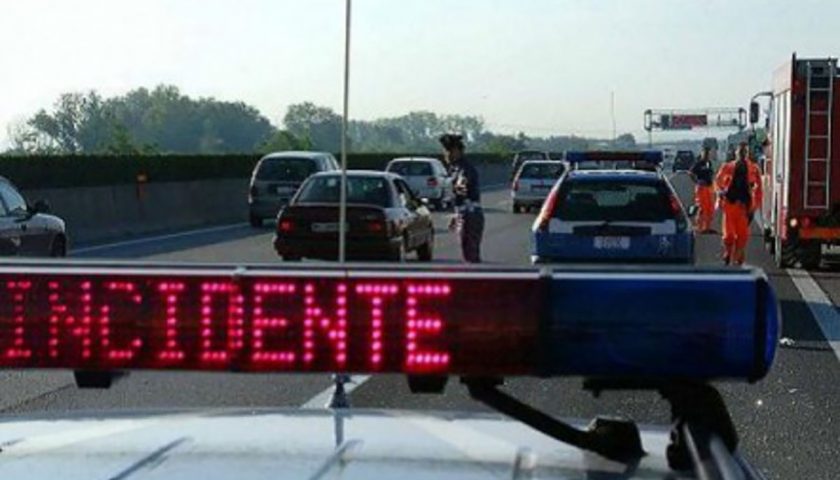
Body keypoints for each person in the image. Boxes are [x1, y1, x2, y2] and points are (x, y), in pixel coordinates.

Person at [714, 142, 763, 265]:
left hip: (744, 207)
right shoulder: (727, 167)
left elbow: (759, 189)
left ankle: (738, 257)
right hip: (730, 205)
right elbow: (717, 181)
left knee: (742, 235)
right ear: (736, 153)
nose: (742, 154)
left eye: (744, 151)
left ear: (747, 153)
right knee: (729, 235)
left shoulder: (754, 168)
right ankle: (728, 253)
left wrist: (755, 206)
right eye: (740, 151)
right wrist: (720, 191)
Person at [440, 133, 484, 263]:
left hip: (470, 214)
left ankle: (476, 281)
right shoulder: (455, 168)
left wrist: (461, 186)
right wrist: (456, 214)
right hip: (464, 213)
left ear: (456, 151)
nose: (446, 155)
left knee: (470, 254)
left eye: (448, 151)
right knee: (467, 252)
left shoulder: (465, 169)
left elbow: (463, 185)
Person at [689, 147, 716, 233]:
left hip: (709, 187)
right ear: (702, 154)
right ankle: (699, 227)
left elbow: (712, 174)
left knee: (710, 208)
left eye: (708, 154)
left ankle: (707, 227)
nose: (707, 155)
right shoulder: (698, 164)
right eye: (705, 153)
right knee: (702, 208)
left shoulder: (709, 163)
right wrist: (697, 181)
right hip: (701, 187)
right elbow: (691, 173)